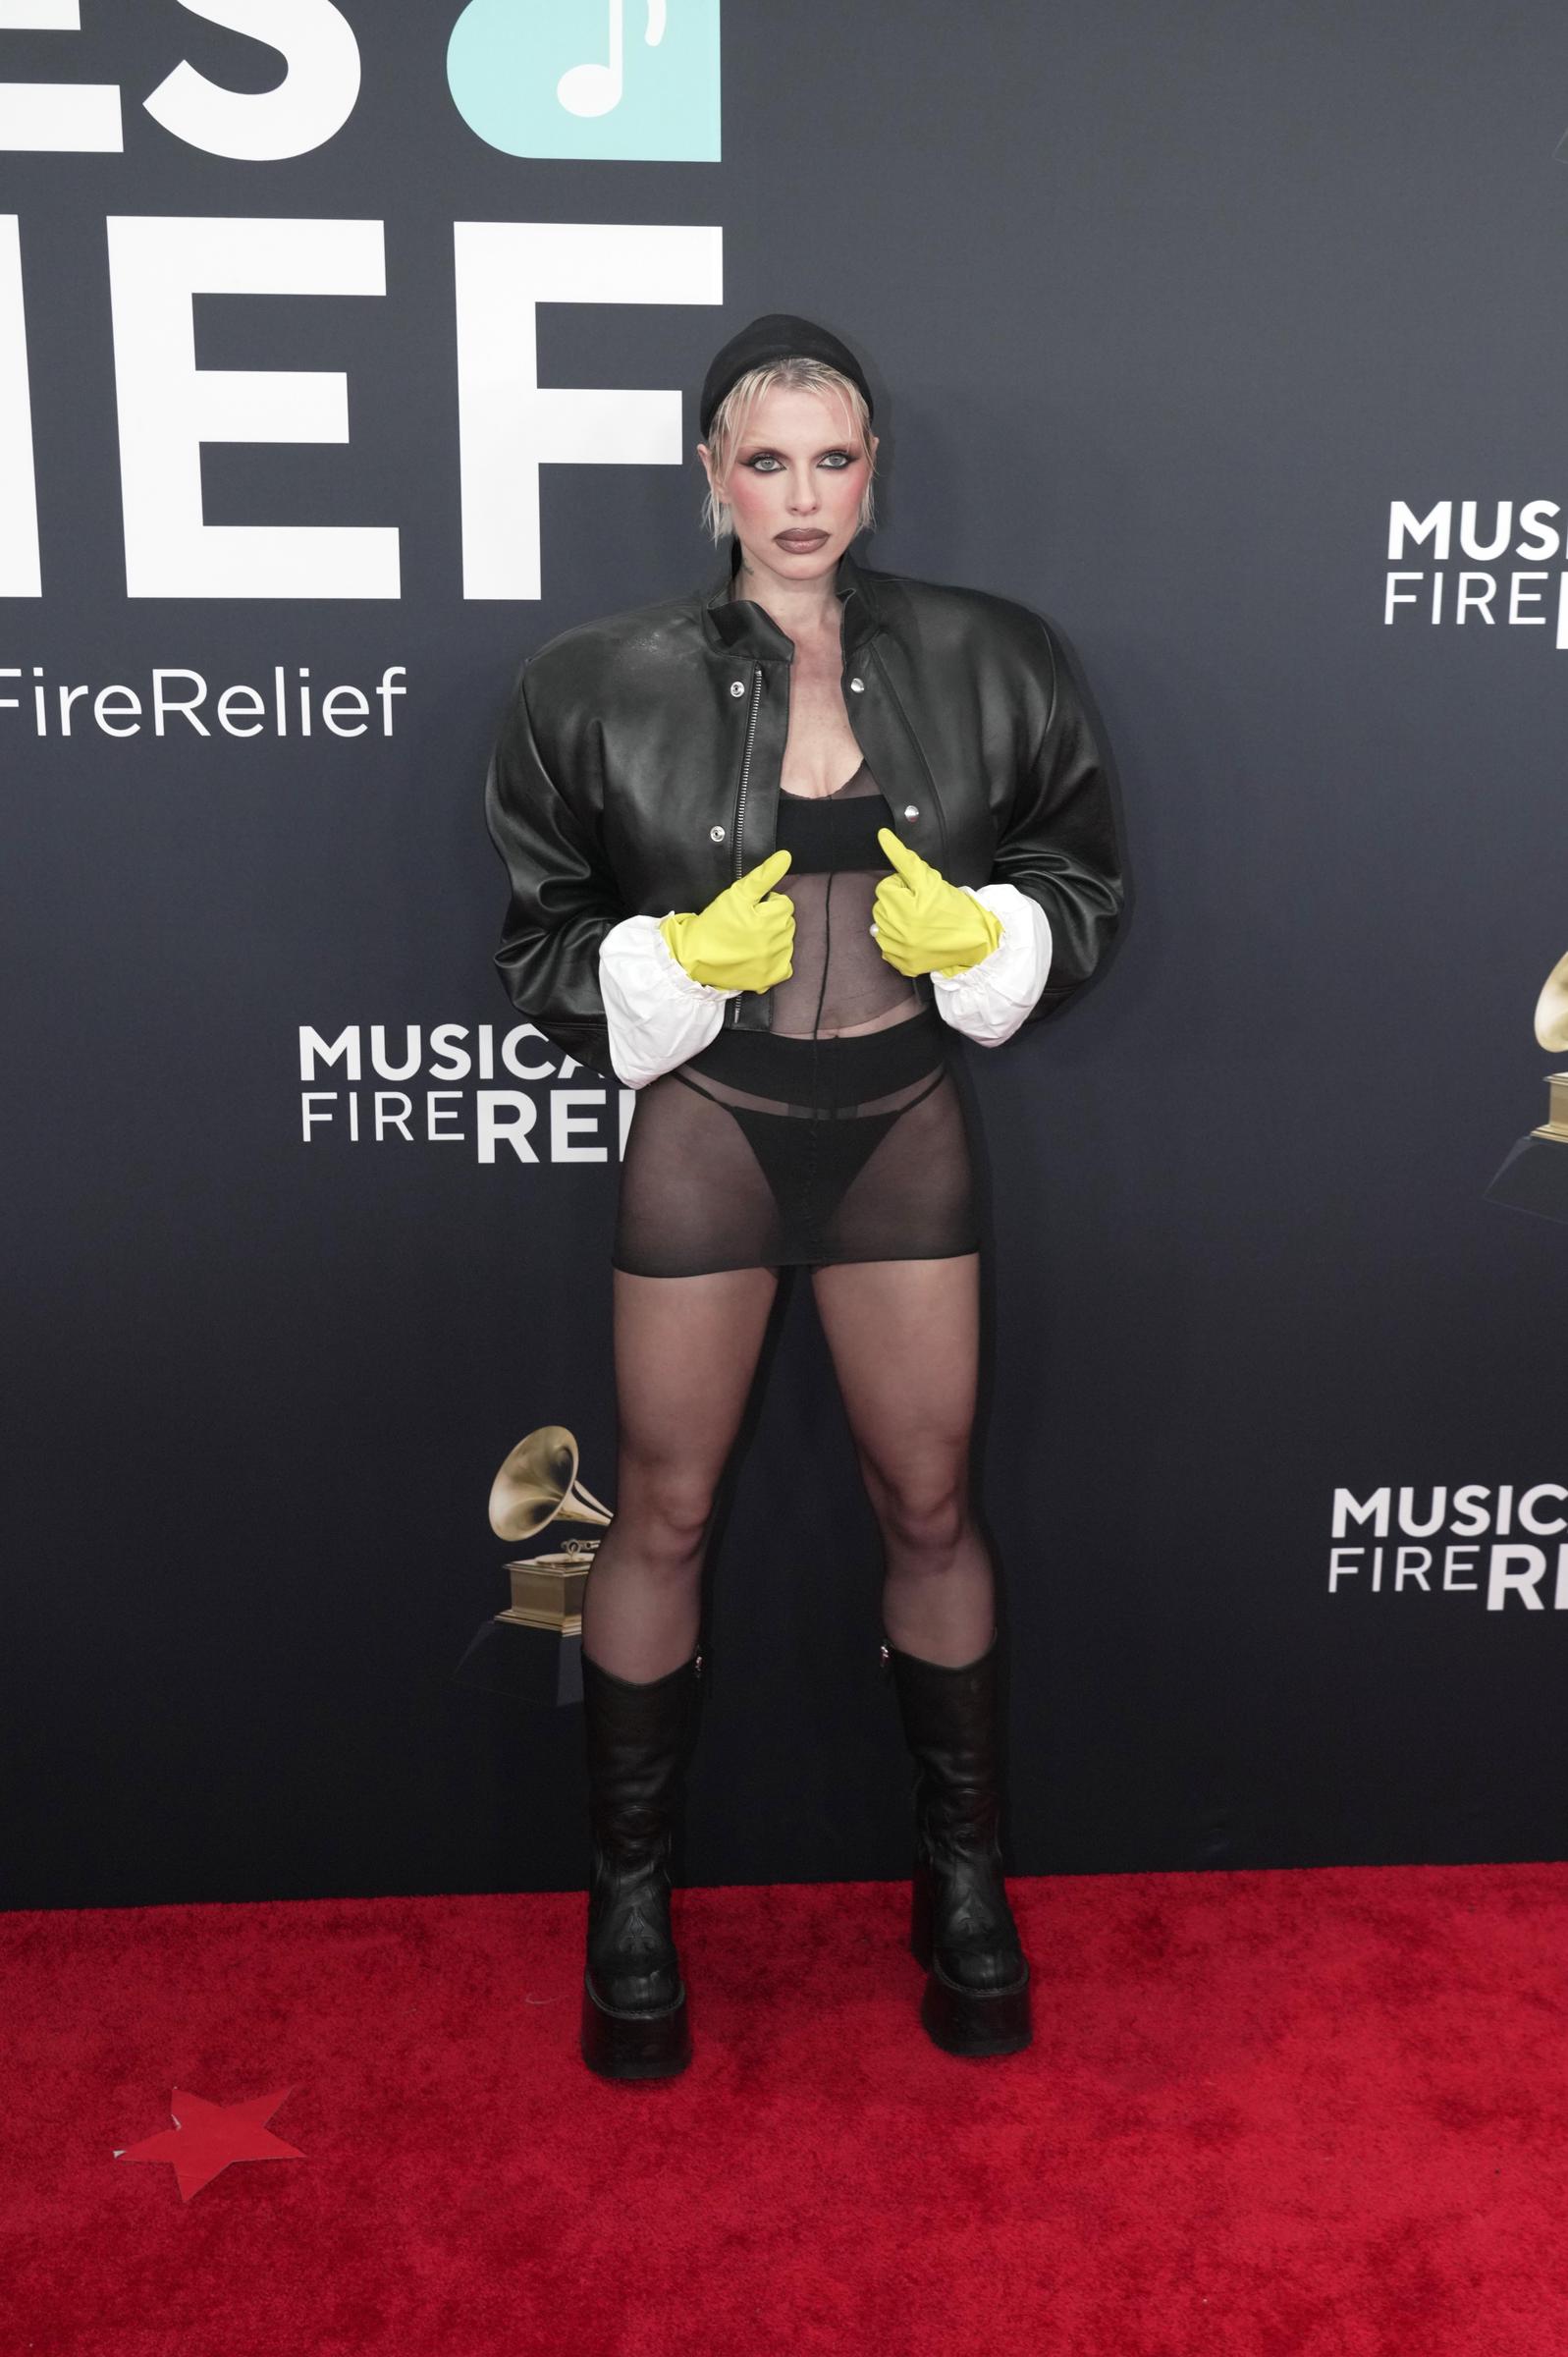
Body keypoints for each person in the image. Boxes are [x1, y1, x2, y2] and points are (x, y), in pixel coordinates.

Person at [483, 313, 1124, 2079]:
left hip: (905, 1119)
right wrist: (663, 961)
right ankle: (629, 1906)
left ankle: (963, 1886)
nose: (799, 495)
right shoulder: (589, 680)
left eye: (829, 458)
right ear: (707, 475)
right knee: (663, 1513)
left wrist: (993, 934)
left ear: (871, 470)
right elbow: (535, 938)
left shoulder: (999, 656)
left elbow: (1083, 873)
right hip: (708, 1121)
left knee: (929, 1501)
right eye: (761, 460)